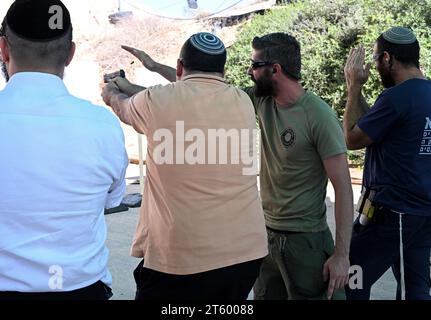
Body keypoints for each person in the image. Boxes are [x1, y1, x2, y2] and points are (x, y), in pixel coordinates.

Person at [114, 32, 354, 300]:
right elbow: (197, 90)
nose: (249, 72)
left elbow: (343, 187)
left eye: (254, 65)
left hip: (305, 240)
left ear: (275, 69)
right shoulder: (259, 100)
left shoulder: (318, 116)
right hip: (266, 237)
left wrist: (342, 255)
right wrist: (154, 68)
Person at [101, 32, 268, 300]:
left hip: (183, 261)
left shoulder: (157, 102)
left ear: (179, 67)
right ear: (223, 70)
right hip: (245, 255)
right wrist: (146, 74)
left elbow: (125, 106)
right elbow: (183, 96)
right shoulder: (241, 101)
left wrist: (111, 90)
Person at [0, 0, 128, 300]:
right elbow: (111, 199)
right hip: (80, 290)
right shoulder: (103, 125)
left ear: (4, 49)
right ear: (70, 54)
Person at [343, 26, 431, 300]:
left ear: (388, 59)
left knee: (351, 278)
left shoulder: (396, 98)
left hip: (393, 214)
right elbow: (375, 127)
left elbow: (353, 138)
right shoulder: (419, 94)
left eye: (375, 58)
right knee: (415, 289)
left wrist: (354, 87)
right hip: (422, 214)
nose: (374, 65)